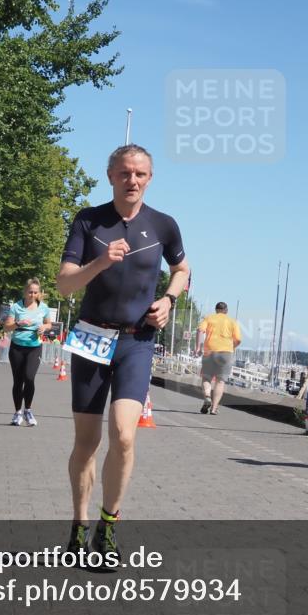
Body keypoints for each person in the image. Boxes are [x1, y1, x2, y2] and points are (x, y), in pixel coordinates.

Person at [56, 144, 189, 561]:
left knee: (126, 436)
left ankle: (107, 527)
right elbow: (64, 285)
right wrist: (100, 263)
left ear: (150, 178)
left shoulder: (163, 225)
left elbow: (182, 269)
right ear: (110, 175)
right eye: (125, 173)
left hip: (137, 341)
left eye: (141, 174)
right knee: (87, 442)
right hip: (92, 337)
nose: (133, 180)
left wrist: (169, 300)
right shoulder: (88, 221)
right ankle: (79, 526)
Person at [3, 280, 52, 427]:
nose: (32, 295)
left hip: (34, 347)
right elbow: (6, 327)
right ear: (25, 292)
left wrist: (44, 327)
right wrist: (18, 323)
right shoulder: (16, 307)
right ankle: (18, 413)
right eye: (30, 292)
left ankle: (28, 410)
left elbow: (49, 324)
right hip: (17, 347)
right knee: (18, 381)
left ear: (39, 293)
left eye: (35, 292)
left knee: (29, 377)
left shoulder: (43, 308)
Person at [195, 301, 241, 414]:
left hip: (209, 351)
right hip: (226, 352)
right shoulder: (232, 321)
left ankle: (207, 396)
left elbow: (200, 330)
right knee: (220, 381)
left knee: (206, 378)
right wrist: (232, 346)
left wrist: (198, 347)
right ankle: (214, 408)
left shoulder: (209, 318)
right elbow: (238, 339)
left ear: (216, 310)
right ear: (226, 311)